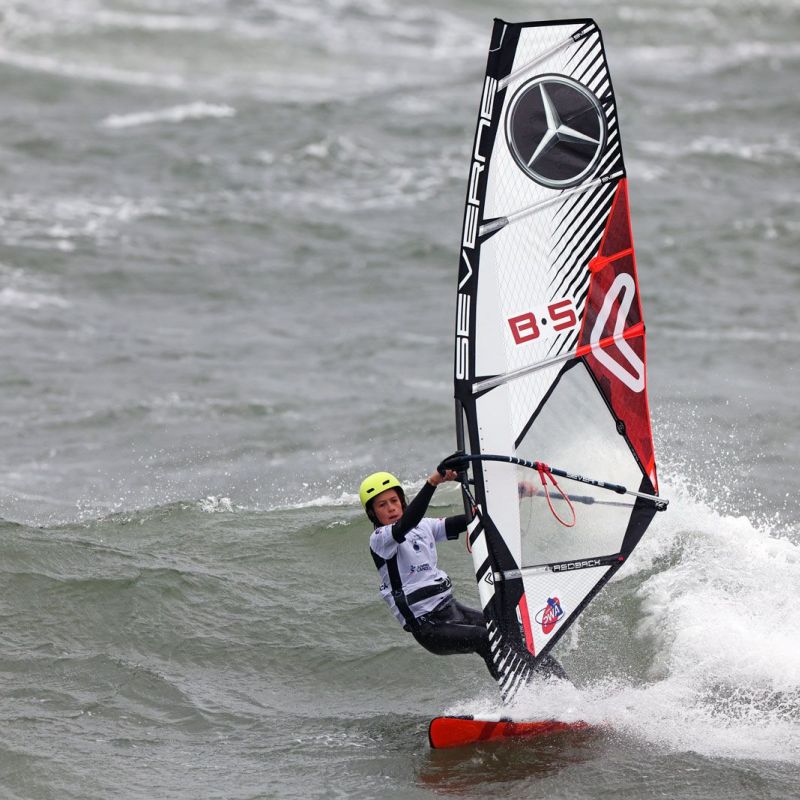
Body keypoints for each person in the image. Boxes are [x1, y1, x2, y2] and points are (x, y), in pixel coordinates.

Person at [360, 463, 568, 684]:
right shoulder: (380, 540)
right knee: (486, 639)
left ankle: (564, 687)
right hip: (429, 627)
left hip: (452, 609)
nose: (391, 508)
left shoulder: (423, 527)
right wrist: (432, 483)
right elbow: (405, 524)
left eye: (394, 501)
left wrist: (512, 496)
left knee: (514, 631)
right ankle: (519, 700)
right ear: (373, 513)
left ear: (402, 502)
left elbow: (470, 519)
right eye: (382, 505)